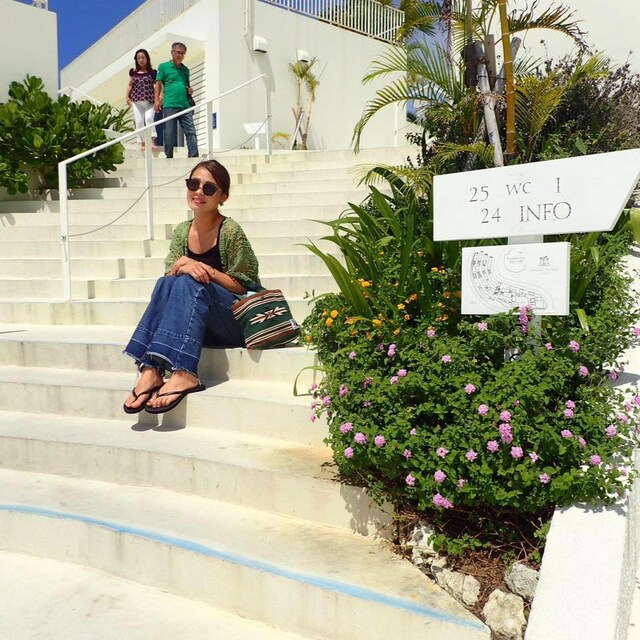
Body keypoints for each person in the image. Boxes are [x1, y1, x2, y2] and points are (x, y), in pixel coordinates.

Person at [122, 159, 260, 415]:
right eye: (193, 184)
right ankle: (151, 369)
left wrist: (203, 270)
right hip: (198, 323)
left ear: (223, 197)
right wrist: (184, 265)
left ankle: (185, 373)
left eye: (209, 188)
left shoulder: (230, 231)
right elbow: (170, 274)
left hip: (233, 322)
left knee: (187, 281)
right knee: (167, 282)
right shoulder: (182, 232)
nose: (199, 192)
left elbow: (244, 286)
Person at [154, 42, 199, 159]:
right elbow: (158, 84)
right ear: (172, 52)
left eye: (183, 53)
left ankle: (194, 156)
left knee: (191, 131)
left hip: (185, 105)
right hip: (170, 104)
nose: (180, 55)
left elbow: (186, 85)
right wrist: (156, 101)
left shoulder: (185, 70)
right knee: (169, 132)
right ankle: (169, 156)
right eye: (178, 52)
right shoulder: (163, 67)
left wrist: (190, 90)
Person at [125, 49, 158, 151]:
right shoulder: (133, 72)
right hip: (137, 101)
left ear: (147, 59)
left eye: (143, 58)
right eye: (138, 58)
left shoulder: (152, 73)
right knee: (139, 122)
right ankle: (142, 143)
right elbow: (130, 85)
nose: (141, 60)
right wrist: (127, 96)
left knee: (149, 119)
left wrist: (159, 97)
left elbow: (157, 85)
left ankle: (152, 141)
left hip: (150, 101)